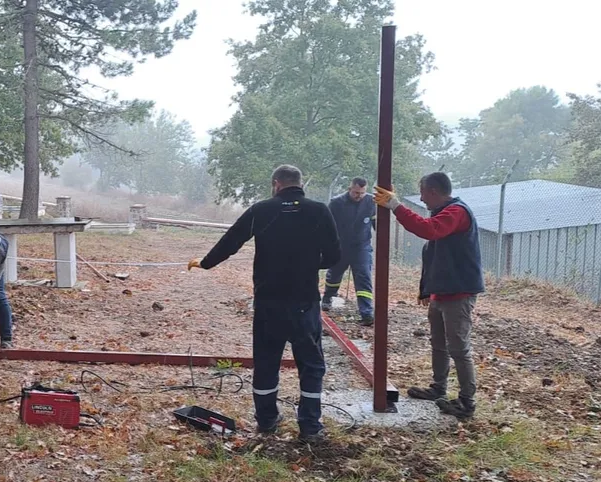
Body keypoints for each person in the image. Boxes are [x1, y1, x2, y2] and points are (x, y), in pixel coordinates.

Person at [188, 165, 341, 442]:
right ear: (299, 183)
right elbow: (333, 256)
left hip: (268, 301)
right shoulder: (319, 210)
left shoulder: (261, 210)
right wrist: (307, 265)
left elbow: (231, 241)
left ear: (276, 184)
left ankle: (267, 420)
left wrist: (206, 263)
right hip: (304, 302)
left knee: (267, 361)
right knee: (311, 365)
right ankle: (310, 426)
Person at [373, 172, 484, 420]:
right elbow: (432, 252)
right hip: (443, 292)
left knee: (458, 348)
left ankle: (467, 402)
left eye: (422, 193)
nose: (421, 199)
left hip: (459, 292)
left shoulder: (456, 212)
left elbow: (428, 231)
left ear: (433, 191)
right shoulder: (443, 212)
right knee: (439, 344)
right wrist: (426, 289)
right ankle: (438, 388)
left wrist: (395, 206)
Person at [322, 177, 376, 326]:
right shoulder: (336, 203)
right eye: (356, 192)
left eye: (362, 193)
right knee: (335, 275)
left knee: (364, 277)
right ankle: (327, 298)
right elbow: (327, 226)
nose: (359, 196)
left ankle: (366, 313)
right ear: (349, 189)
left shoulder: (371, 202)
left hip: (361, 247)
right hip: (340, 246)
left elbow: (376, 222)